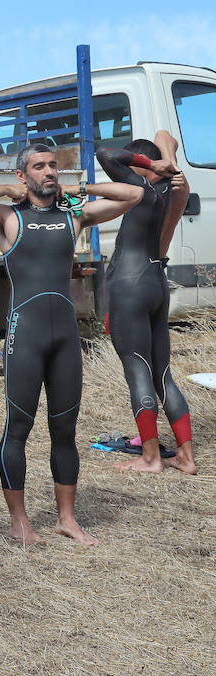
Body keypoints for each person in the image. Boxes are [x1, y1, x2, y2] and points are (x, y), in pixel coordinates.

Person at [0, 144, 142, 544]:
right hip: (25, 337)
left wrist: (83, 190)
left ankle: (66, 519)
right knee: (18, 427)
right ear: (24, 174)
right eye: (39, 167)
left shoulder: (74, 216)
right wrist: (9, 188)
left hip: (65, 341)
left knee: (65, 429)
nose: (50, 172)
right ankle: (19, 521)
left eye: (53, 166)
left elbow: (134, 195)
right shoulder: (9, 218)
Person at [96, 134, 197, 475]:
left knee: (137, 369)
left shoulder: (139, 188)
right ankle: (186, 456)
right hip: (156, 282)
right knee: (163, 374)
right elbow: (165, 137)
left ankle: (151, 457)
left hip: (130, 287)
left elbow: (106, 153)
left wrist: (149, 164)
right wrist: (167, 161)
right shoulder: (172, 188)